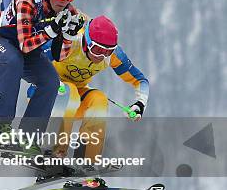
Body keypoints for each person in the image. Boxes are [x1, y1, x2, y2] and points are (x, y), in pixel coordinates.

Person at [0, 0, 82, 153]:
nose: (65, 1)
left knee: (50, 81)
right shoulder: (27, 0)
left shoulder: (68, 12)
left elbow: (60, 56)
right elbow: (25, 44)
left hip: (27, 51)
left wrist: (69, 35)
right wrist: (52, 30)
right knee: (13, 62)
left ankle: (29, 138)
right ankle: (0, 127)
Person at [29, 15, 150, 159]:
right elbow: (32, 58)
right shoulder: (70, 41)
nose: (102, 56)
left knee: (99, 100)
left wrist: (140, 103)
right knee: (71, 93)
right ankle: (54, 152)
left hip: (74, 101)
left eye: (108, 51)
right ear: (86, 42)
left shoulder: (113, 56)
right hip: (47, 97)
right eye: (98, 49)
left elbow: (141, 81)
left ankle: (87, 160)